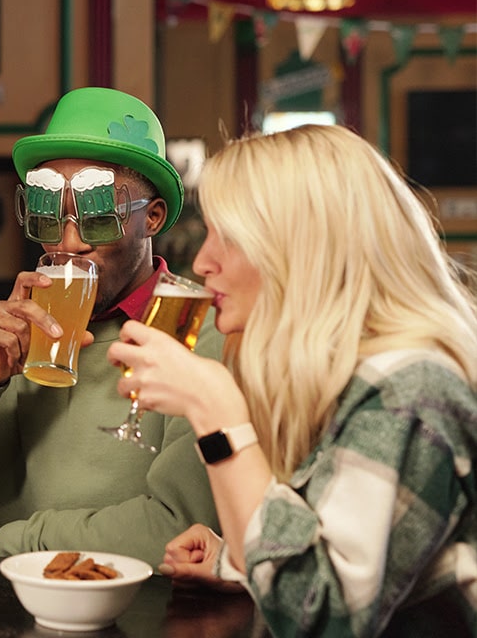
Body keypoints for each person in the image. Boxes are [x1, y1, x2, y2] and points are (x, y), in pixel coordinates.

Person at [111, 125, 477, 636]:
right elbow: (344, 552)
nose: (202, 262)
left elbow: (323, 619)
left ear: (303, 251)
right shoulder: (345, 374)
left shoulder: (409, 390)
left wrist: (218, 416)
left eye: (229, 237)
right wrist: (239, 560)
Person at [0, 87, 222, 565]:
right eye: (48, 220)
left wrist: (20, 543)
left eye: (98, 220)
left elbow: (185, 527)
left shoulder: (197, 328)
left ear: (153, 217)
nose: (69, 243)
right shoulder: (19, 328)